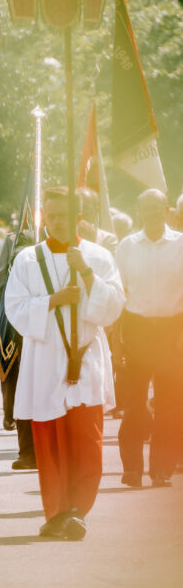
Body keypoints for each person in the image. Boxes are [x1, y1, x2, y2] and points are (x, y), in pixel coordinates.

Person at [5, 186, 125, 540]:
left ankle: (77, 510)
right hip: (45, 356)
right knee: (51, 440)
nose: (55, 222)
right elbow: (15, 308)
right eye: (50, 215)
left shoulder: (98, 256)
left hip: (84, 354)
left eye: (62, 215)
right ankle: (57, 512)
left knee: (86, 439)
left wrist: (86, 273)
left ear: (77, 216)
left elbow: (115, 305)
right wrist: (54, 300)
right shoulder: (28, 260)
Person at [114, 189, 183, 488]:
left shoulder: (180, 244)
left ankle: (162, 469)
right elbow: (118, 295)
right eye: (147, 208)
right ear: (138, 211)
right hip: (137, 328)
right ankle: (131, 469)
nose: (153, 214)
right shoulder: (127, 247)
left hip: (172, 329)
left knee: (170, 403)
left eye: (158, 208)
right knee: (135, 403)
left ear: (166, 210)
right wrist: (117, 342)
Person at [0, 226, 36, 469]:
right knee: (17, 383)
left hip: (46, 323)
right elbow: (1, 276)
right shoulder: (12, 240)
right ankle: (26, 451)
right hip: (15, 322)